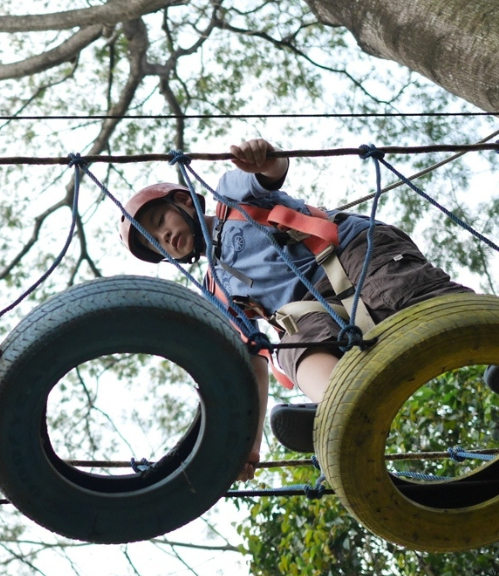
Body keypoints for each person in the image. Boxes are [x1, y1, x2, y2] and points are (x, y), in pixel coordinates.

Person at [119, 138, 479, 480]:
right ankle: (339, 406)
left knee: (399, 293)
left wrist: (263, 159)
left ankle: (487, 337)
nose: (163, 237)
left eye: (159, 222)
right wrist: (250, 447)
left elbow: (271, 173)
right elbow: (253, 361)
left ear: (182, 200)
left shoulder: (230, 199)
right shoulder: (217, 292)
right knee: (290, 350)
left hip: (347, 252)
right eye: (155, 242)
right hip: (310, 311)